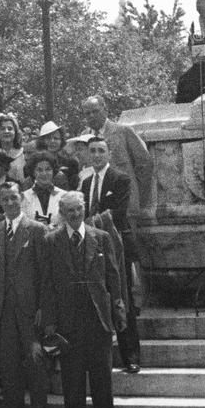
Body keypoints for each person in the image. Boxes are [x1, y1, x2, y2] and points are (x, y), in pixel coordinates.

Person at [39, 192, 126, 408]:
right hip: (68, 313)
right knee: (71, 369)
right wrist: (49, 320)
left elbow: (113, 276)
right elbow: (47, 284)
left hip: (97, 312)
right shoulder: (52, 241)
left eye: (78, 209)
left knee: (101, 368)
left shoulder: (102, 237)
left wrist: (118, 310)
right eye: (69, 211)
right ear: (62, 214)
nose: (75, 214)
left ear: (84, 209)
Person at [0, 183, 50, 408]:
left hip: (30, 307)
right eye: (5, 199)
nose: (10, 203)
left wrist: (43, 307)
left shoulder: (36, 230)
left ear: (21, 199)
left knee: (35, 360)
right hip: (4, 307)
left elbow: (45, 274)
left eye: (14, 198)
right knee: (8, 362)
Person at [78, 133, 142, 373]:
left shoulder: (120, 179)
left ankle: (131, 356)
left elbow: (118, 212)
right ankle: (99, 358)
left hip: (117, 246)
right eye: (92, 151)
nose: (96, 155)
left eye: (100, 151)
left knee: (121, 297)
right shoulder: (85, 183)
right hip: (93, 247)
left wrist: (89, 221)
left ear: (109, 154)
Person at [79, 95, 153, 223]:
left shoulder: (123, 132)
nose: (91, 116)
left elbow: (145, 164)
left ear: (105, 110)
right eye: (87, 113)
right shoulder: (83, 137)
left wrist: (137, 196)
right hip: (94, 209)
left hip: (124, 206)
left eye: (95, 111)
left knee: (126, 242)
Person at [19, 151, 68, 227]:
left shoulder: (65, 196)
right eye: (39, 170)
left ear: (53, 171)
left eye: (48, 169)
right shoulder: (24, 197)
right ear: (33, 172)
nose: (44, 173)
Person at [35, 121, 82, 191]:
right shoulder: (33, 164)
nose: (52, 141)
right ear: (42, 141)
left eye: (56, 138)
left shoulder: (71, 164)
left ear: (61, 140)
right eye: (48, 138)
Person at [0, 114, 27, 184]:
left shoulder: (23, 153)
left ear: (15, 132)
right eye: (2, 129)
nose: (6, 131)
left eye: (10, 128)